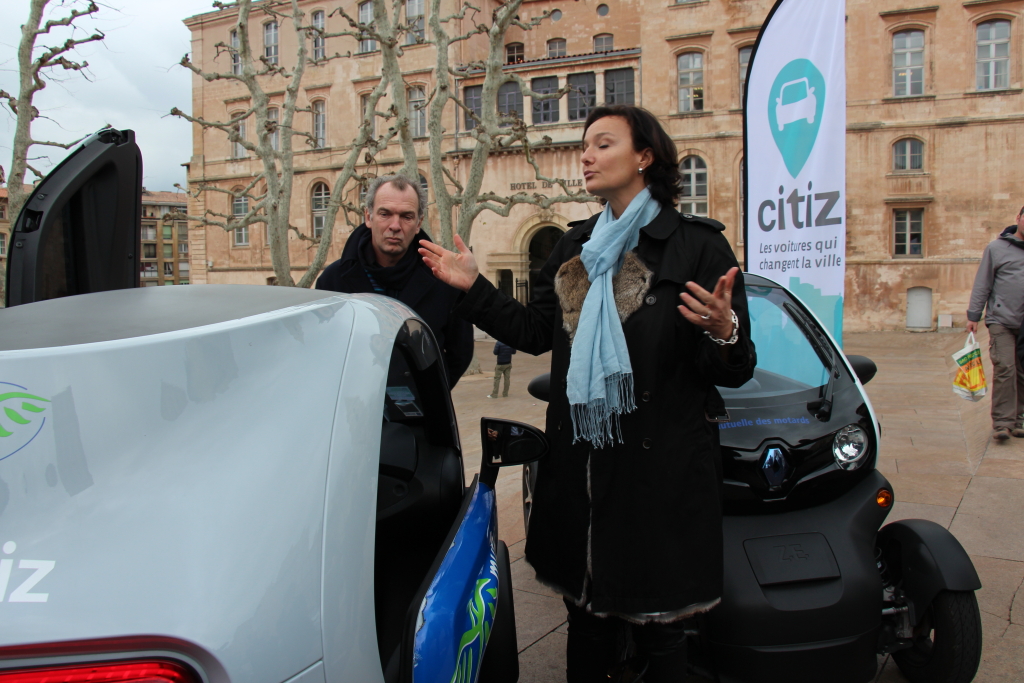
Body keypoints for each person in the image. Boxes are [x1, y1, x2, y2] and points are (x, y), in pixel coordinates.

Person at [419, 105, 756, 682]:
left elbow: (734, 369)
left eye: (603, 144)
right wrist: (473, 288)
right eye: (585, 145)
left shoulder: (696, 248)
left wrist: (725, 331)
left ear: (644, 156)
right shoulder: (576, 247)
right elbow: (532, 332)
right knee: (588, 628)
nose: (587, 155)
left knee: (666, 636)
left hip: (661, 481)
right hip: (584, 476)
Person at [316, 175, 473, 388]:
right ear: (368, 217)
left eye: (406, 216)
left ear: (418, 223)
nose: (395, 225)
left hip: (421, 416)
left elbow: (460, 353)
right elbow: (323, 350)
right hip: (353, 411)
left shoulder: (444, 280)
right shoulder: (333, 280)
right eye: (385, 214)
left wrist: (430, 397)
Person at [967, 206, 1024, 441]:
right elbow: (983, 283)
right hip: (1002, 320)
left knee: (1021, 372)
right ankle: (1002, 423)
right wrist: (973, 315)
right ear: (1018, 219)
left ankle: (1019, 419)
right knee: (1005, 368)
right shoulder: (997, 248)